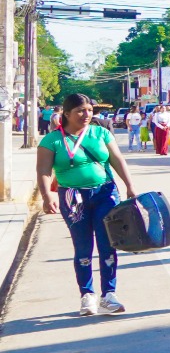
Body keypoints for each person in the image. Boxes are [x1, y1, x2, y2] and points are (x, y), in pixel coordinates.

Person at [37, 93, 137, 317]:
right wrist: (47, 196)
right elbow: (43, 170)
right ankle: (87, 295)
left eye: (89, 110)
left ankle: (109, 294)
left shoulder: (100, 132)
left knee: (107, 244)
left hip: (105, 193)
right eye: (80, 111)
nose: (86, 115)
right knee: (83, 246)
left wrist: (129, 185)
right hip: (72, 196)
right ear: (67, 114)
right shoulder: (51, 140)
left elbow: (117, 160)